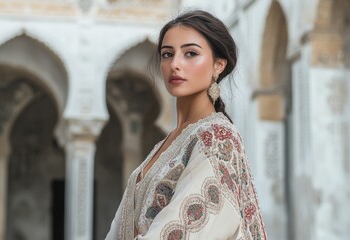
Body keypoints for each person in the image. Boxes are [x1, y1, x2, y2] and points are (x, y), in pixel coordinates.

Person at [106, 10, 267, 240]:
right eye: (167, 54)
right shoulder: (168, 142)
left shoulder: (218, 138)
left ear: (218, 65)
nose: (175, 64)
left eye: (190, 53)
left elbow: (180, 231)